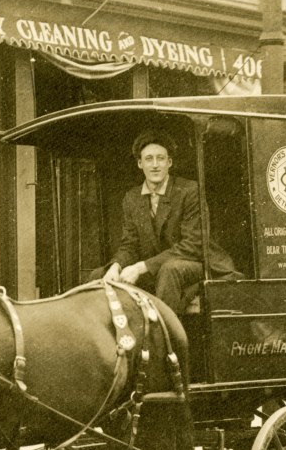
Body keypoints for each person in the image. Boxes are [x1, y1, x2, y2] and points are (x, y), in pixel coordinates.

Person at [92, 129, 241, 313]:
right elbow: (130, 245)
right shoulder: (132, 198)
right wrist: (116, 266)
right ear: (140, 164)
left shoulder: (188, 191)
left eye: (160, 158)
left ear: (169, 162)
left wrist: (141, 267)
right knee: (99, 275)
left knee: (170, 270)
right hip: (158, 268)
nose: (155, 165)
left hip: (196, 264)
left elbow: (193, 244)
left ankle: (165, 338)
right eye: (149, 159)